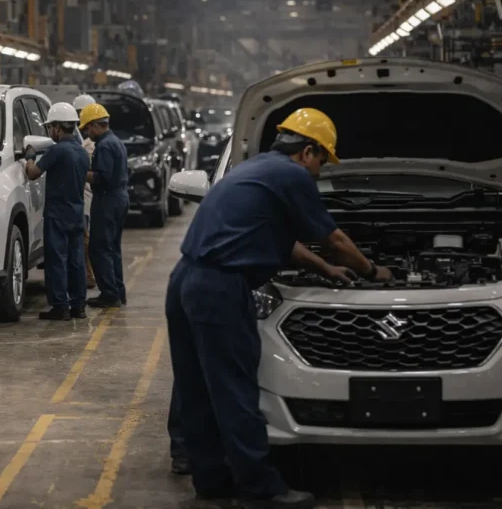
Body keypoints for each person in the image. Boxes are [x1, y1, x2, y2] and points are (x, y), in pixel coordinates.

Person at [166, 108, 393, 508]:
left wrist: (324, 269)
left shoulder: (257, 170)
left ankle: (211, 480)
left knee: (197, 388)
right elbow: (335, 237)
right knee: (235, 391)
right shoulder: (292, 176)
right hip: (220, 288)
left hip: (187, 279)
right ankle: (261, 488)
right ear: (308, 151)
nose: (321, 170)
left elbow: (284, 241)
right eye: (323, 160)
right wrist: (373, 271)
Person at [23, 102, 91, 320]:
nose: (49, 132)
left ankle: (60, 306)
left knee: (56, 260)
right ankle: (78, 305)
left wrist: (30, 157)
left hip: (57, 215)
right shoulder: (82, 153)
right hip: (77, 213)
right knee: (76, 260)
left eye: (50, 127)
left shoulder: (56, 151)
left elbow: (33, 174)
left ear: (58, 128)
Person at [79, 103, 129, 308]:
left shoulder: (105, 145)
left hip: (107, 200)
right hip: (119, 198)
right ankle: (118, 291)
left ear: (95, 125)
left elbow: (102, 177)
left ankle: (109, 294)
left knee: (100, 248)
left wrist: (80, 171)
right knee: (113, 248)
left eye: (87, 128)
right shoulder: (116, 141)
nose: (87, 133)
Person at [73, 94, 98, 290]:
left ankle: (88, 276)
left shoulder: (90, 143)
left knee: (85, 239)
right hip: (89, 197)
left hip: (87, 197)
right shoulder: (86, 139)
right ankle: (88, 275)